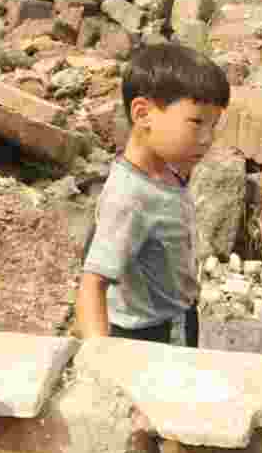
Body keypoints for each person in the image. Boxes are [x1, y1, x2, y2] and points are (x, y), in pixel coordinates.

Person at [75, 43, 230, 346]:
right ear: (143, 114)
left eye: (213, 125)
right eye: (196, 122)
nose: (208, 138)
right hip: (149, 335)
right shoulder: (129, 197)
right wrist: (98, 357)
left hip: (177, 318)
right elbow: (92, 284)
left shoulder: (168, 170)